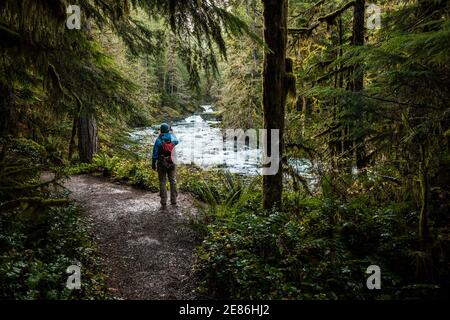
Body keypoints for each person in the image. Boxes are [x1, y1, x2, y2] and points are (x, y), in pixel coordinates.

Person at [152, 123, 179, 207]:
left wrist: (153, 164)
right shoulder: (173, 138)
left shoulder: (158, 140)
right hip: (172, 161)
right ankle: (173, 201)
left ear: (161, 130)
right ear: (168, 129)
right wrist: (172, 132)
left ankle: (163, 201)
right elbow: (177, 141)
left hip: (161, 163)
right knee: (173, 181)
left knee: (162, 182)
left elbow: (155, 154)